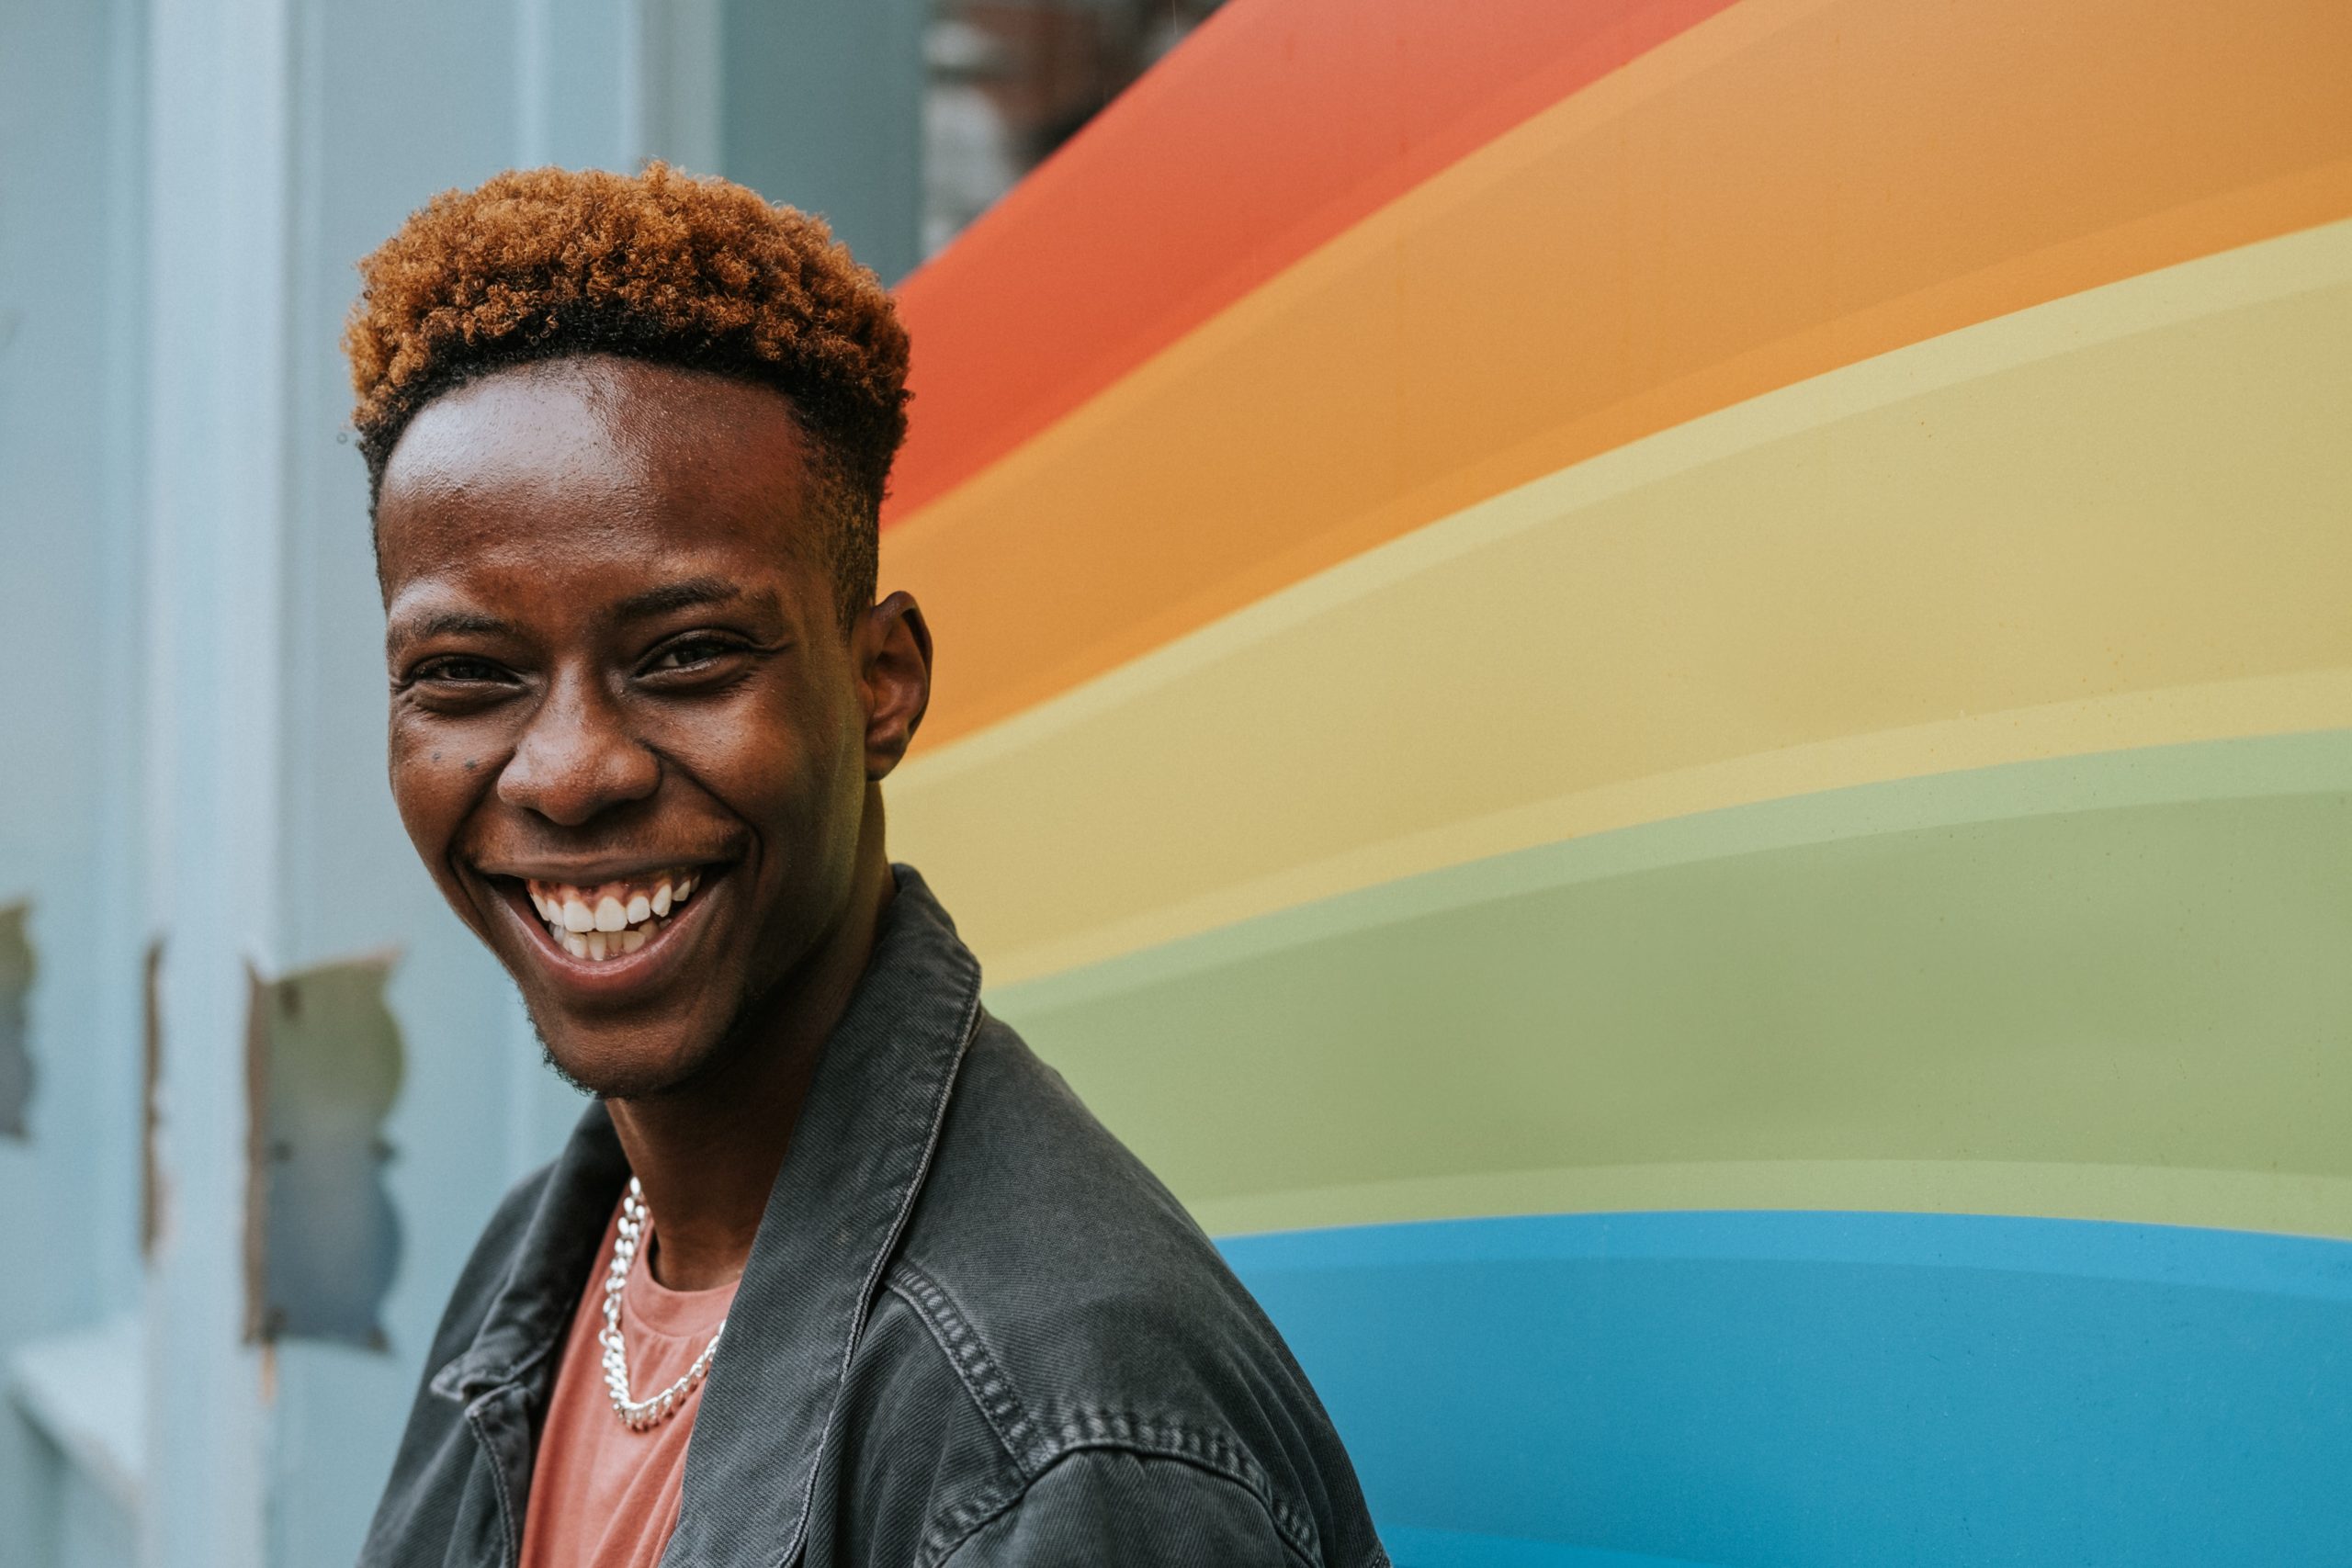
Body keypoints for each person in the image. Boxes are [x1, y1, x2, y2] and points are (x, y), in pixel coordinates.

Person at [347, 164, 1388, 1568]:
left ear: (882, 683)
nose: (573, 769)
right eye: (468, 675)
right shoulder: (547, 1261)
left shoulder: (1062, 1441)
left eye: (688, 657)